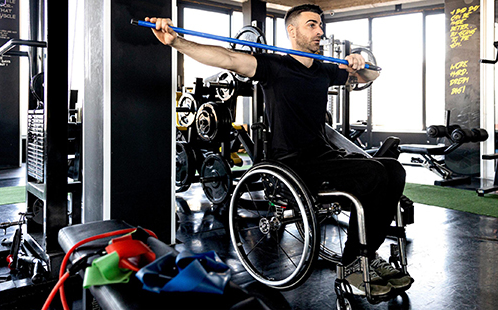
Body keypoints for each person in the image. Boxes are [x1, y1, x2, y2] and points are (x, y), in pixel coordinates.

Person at [146, 3, 412, 298]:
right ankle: (352, 265)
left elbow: (371, 76)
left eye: (321, 25)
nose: (320, 32)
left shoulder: (324, 70)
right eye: (312, 25)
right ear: (292, 30)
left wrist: (360, 62)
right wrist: (178, 42)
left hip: (324, 157)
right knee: (374, 172)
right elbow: (228, 58)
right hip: (292, 165)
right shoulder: (274, 67)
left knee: (393, 168)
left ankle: (367, 253)